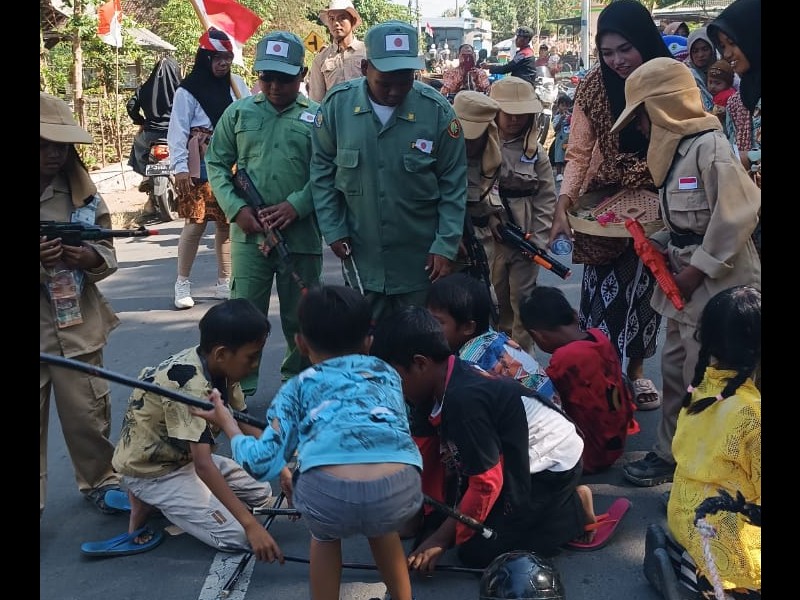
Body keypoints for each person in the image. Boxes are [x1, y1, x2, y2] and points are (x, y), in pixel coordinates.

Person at [192, 285, 423, 600]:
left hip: (330, 496)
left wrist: (228, 424)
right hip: (401, 491)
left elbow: (261, 462)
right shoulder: (388, 374)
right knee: (381, 528)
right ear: (369, 341)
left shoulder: (297, 389)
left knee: (324, 536)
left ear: (300, 343)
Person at [370, 306, 629, 571]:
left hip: (551, 465)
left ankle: (572, 511)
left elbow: (486, 484)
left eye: (394, 379)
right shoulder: (439, 379)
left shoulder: (464, 401)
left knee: (478, 552)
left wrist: (440, 540)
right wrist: (422, 517)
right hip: (509, 457)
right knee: (454, 521)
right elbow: (427, 455)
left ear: (421, 363)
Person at [610, 57, 761, 488]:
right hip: (682, 286)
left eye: (642, 115)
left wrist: (696, 271)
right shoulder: (677, 152)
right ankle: (670, 453)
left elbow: (736, 216)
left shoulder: (710, 148)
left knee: (712, 377)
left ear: (663, 107)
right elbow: (683, 221)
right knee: (675, 370)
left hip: (719, 283)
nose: (641, 127)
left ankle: (714, 468)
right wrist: (656, 243)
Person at [547, 0, 672, 412]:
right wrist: (564, 204)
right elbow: (579, 153)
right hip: (604, 205)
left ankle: (636, 371)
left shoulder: (671, 80)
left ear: (645, 42)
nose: (616, 61)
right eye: (607, 52)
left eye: (625, 49)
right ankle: (602, 374)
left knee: (646, 296)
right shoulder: (593, 86)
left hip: (660, 204)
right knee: (601, 297)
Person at [310, 20, 467, 324]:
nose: (395, 91)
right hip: (362, 258)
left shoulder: (436, 112)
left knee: (421, 342)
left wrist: (446, 244)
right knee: (368, 340)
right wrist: (333, 228)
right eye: (385, 82)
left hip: (421, 262)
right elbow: (322, 172)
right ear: (364, 68)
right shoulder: (337, 108)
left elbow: (453, 183)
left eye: (405, 80)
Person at [110, 299, 286, 560]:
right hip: (155, 471)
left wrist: (283, 470)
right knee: (238, 536)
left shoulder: (219, 366)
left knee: (261, 492)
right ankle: (149, 497)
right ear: (221, 353)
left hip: (183, 458)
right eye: (251, 357)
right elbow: (204, 465)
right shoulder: (190, 388)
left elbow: (243, 421)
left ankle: (163, 499)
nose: (255, 364)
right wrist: (250, 525)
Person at [206, 31, 323, 389]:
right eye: (266, 77)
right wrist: (236, 208)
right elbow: (216, 163)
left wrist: (297, 205)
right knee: (242, 320)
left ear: (302, 74)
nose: (273, 86)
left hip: (300, 238)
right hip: (250, 238)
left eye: (284, 79)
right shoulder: (238, 113)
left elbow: (328, 172)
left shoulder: (317, 118)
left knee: (301, 319)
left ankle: (298, 387)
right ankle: (238, 393)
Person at [646, 285, 761, 599]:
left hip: (684, 510)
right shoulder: (752, 414)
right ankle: (705, 578)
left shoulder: (701, 389)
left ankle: (683, 558)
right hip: (726, 531)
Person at [40, 92, 124, 517]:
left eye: (62, 145)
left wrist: (89, 257)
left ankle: (101, 480)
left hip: (78, 327)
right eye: (45, 145)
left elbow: (107, 250)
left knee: (88, 414)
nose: (55, 154)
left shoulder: (82, 195)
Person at [167, 27, 250, 309]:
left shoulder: (236, 84)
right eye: (217, 58)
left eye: (227, 58)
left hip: (231, 158)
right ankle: (182, 283)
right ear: (205, 59)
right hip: (199, 160)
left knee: (227, 223)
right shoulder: (187, 90)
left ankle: (224, 281)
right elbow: (177, 129)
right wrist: (179, 167)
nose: (224, 63)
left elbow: (248, 116)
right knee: (196, 224)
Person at [519, 286, 639, 475]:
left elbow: (540, 391)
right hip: (615, 440)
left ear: (538, 336)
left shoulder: (566, 357)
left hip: (589, 455)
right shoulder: (599, 338)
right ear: (574, 315)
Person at [488, 76, 558, 352]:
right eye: (509, 113)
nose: (515, 119)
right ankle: (497, 356)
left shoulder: (536, 152)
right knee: (495, 300)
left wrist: (538, 240)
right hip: (491, 239)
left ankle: (522, 359)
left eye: (521, 113)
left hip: (525, 238)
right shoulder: (481, 144)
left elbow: (546, 197)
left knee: (523, 301)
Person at [425, 272, 555, 401]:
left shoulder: (470, 363)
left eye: (437, 322)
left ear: (468, 327)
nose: (428, 326)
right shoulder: (491, 337)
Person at [708, 0, 761, 221]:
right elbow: (731, 150)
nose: (727, 54)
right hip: (747, 214)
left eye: (732, 43)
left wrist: (751, 158)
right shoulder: (736, 102)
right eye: (722, 47)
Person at [126, 56, 181, 198]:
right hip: (177, 134)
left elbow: (131, 105)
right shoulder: (182, 90)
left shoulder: (144, 88)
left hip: (150, 134)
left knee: (138, 144)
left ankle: (145, 175)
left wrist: (140, 121)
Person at [307, 0, 366, 103]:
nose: (336, 23)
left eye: (342, 18)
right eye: (331, 19)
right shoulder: (320, 60)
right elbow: (316, 102)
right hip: (333, 113)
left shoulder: (367, 52)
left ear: (352, 21)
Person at [683, 27, 717, 112]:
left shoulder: (724, 69)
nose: (700, 55)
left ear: (712, 49)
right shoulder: (685, 74)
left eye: (705, 49)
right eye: (695, 51)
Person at [551, 93, 573, 182]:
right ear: (558, 106)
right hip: (560, 140)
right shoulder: (557, 117)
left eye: (567, 106)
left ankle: (567, 172)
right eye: (562, 105)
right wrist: (561, 119)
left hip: (569, 139)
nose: (565, 108)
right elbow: (555, 129)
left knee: (568, 156)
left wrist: (570, 119)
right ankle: (559, 173)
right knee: (559, 155)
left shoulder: (570, 116)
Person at [707, 58, 736, 124]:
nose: (712, 86)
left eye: (718, 83)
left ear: (728, 84)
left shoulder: (723, 97)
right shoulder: (732, 92)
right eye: (710, 82)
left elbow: (716, 115)